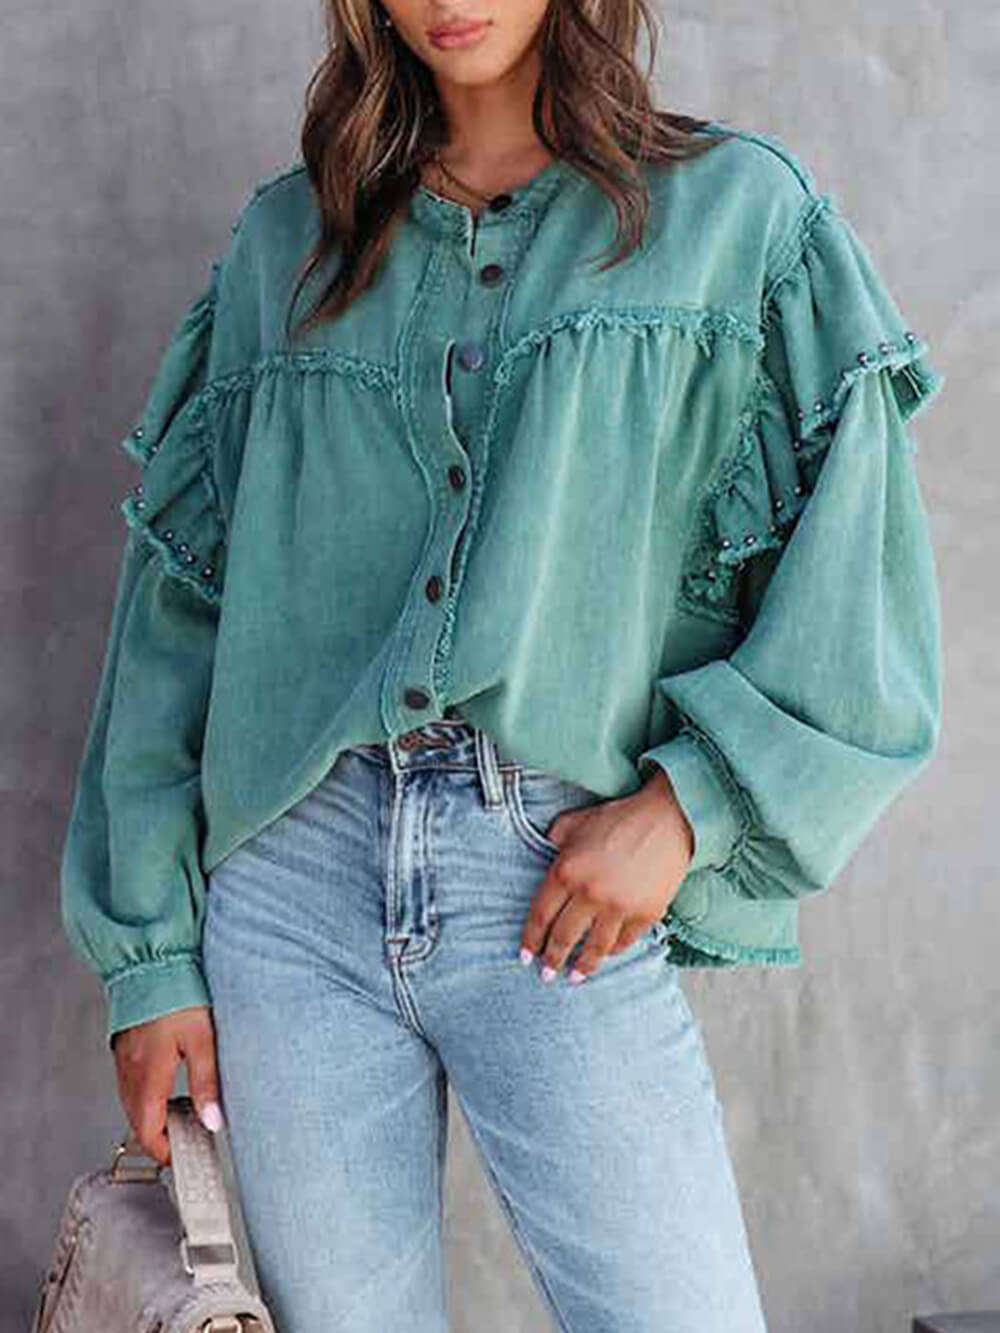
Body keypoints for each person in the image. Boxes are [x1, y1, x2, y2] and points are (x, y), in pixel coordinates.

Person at [59, 1, 945, 1329]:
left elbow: (861, 584)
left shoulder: (737, 218)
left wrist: (689, 806)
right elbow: (176, 614)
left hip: (549, 879)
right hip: (289, 897)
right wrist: (151, 957)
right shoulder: (285, 244)